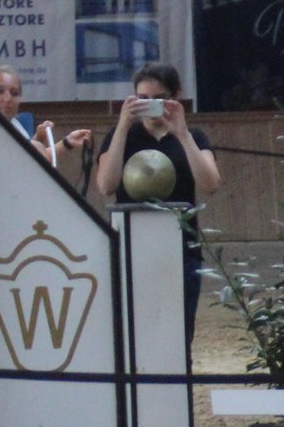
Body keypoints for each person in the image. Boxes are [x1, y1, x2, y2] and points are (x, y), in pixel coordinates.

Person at [92, 61, 222, 344]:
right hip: (131, 246)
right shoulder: (120, 136)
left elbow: (210, 183)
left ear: (175, 97)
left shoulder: (194, 136)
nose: (150, 105)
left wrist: (182, 133)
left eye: (159, 98)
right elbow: (106, 185)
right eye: (142, 98)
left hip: (182, 248)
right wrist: (122, 127)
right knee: (134, 334)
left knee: (179, 335)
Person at [0, 64, 90, 168]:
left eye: (14, 93)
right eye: (0, 92)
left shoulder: (15, 124)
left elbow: (31, 158)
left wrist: (67, 142)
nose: (8, 98)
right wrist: (37, 143)